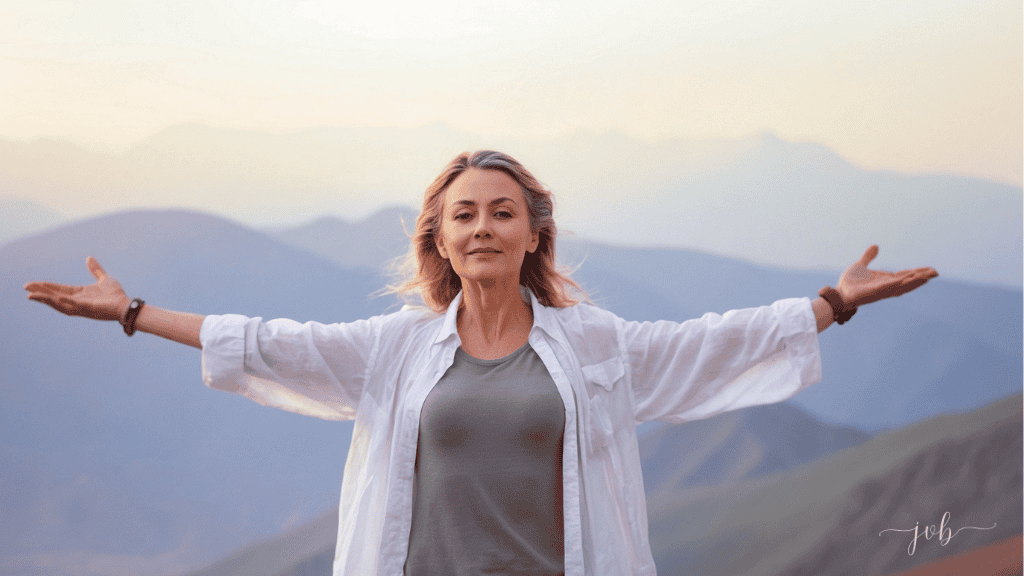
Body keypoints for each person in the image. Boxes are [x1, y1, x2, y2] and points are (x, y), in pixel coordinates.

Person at [24, 150, 939, 576]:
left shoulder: (596, 346)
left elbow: (711, 343)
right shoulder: (394, 350)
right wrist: (134, 313)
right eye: (464, 214)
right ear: (441, 238)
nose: (484, 226)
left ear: (534, 231)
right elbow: (265, 340)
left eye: (502, 211)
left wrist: (832, 303)